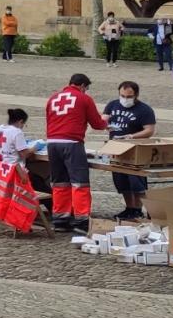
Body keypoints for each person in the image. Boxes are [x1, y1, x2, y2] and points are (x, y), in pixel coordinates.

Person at [45, 73, 109, 231]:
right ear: (82, 86)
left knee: (60, 182)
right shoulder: (83, 98)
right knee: (80, 182)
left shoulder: (53, 98)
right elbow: (96, 123)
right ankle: (81, 221)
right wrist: (105, 120)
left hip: (52, 143)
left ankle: (60, 220)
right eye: (86, 88)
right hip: (72, 143)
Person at [103, 81, 156, 220]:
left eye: (129, 96)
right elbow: (104, 119)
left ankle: (138, 208)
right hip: (116, 148)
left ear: (136, 95)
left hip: (135, 150)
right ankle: (129, 208)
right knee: (121, 181)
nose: (125, 99)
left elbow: (149, 130)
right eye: (122, 96)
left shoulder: (144, 110)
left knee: (136, 181)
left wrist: (131, 136)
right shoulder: (112, 104)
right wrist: (106, 125)